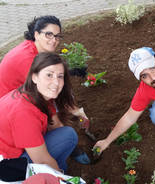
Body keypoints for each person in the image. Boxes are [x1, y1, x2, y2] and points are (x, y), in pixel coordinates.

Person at [0, 15, 90, 164]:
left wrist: (75, 110)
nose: (54, 40)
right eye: (48, 34)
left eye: (57, 36)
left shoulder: (34, 49)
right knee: (59, 127)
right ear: (36, 34)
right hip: (11, 109)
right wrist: (72, 113)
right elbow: (48, 100)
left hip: (13, 102)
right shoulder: (27, 60)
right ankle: (69, 150)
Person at [0, 52, 80, 172]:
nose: (56, 82)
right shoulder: (24, 113)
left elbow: (56, 125)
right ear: (34, 77)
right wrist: (62, 178)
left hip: (16, 149)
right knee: (67, 139)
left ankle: (58, 167)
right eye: (49, 75)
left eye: (60, 76)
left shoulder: (35, 93)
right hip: (7, 166)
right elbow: (41, 160)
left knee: (68, 135)